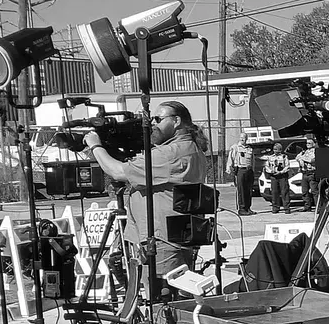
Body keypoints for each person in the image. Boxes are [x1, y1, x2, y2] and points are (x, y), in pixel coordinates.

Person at [84, 100, 205, 282]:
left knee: (161, 298)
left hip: (162, 241)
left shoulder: (170, 154)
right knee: (176, 293)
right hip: (176, 235)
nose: (153, 124)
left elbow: (117, 171)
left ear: (176, 121)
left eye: (158, 119)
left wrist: (95, 145)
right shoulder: (190, 148)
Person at [230, 136, 256, 216]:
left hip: (249, 170)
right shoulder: (235, 148)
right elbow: (230, 159)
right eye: (240, 137)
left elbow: (253, 160)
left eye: (244, 138)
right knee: (241, 190)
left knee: (249, 190)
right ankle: (242, 209)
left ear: (246, 139)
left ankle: (248, 208)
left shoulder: (249, 148)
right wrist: (231, 169)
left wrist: (253, 170)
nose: (242, 139)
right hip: (240, 170)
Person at [263, 141, 291, 214]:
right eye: (274, 149)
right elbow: (267, 166)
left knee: (284, 192)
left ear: (280, 149)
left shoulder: (284, 157)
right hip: (274, 176)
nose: (275, 150)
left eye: (277, 149)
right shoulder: (270, 157)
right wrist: (271, 171)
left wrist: (281, 172)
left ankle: (286, 208)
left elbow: (287, 166)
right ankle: (275, 207)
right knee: (275, 192)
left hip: (282, 176)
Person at [296, 137, 318, 212]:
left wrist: (302, 159)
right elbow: (297, 157)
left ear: (314, 144)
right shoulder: (304, 152)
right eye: (307, 143)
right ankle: (307, 206)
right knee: (304, 191)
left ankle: (318, 207)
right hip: (304, 173)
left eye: (309, 143)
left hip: (312, 173)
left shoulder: (316, 151)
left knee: (314, 191)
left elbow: (312, 160)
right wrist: (301, 159)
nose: (307, 144)